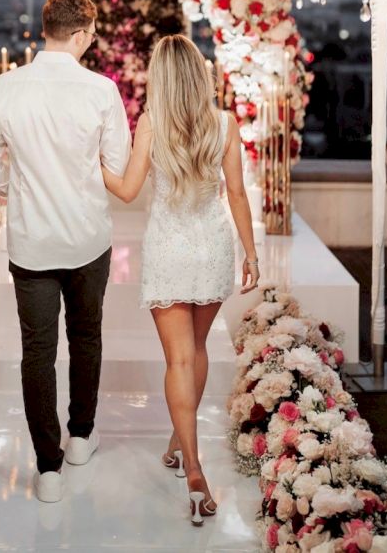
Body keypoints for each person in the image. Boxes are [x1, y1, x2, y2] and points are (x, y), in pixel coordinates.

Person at [0, 0, 131, 503]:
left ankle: (48, 468)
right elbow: (118, 166)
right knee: (86, 337)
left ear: (47, 29)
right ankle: (80, 437)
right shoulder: (101, 90)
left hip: (32, 240)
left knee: (37, 352)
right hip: (87, 237)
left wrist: (20, 183)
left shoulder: (4, 87)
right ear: (82, 34)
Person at [102, 34, 259, 526]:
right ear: (200, 73)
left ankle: (193, 469)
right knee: (198, 350)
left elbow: (127, 191)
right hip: (212, 247)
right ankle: (180, 440)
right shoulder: (225, 123)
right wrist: (250, 252)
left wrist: (92, 164)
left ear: (161, 78)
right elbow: (235, 193)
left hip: (169, 250)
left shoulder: (151, 123)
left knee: (179, 359)